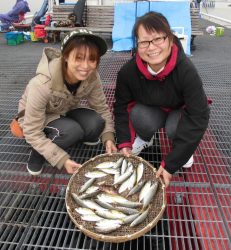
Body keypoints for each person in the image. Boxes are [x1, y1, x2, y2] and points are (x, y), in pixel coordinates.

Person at [114, 12, 210, 187]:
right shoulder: (127, 73)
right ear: (137, 44)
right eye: (144, 42)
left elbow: (199, 116)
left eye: (158, 39)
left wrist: (170, 164)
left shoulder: (186, 71)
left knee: (176, 127)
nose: (151, 47)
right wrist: (124, 142)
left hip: (178, 110)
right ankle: (145, 138)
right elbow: (121, 108)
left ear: (170, 39)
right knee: (137, 114)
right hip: (153, 108)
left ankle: (184, 151)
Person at [17, 29, 117, 176]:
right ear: (65, 56)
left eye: (92, 59)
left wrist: (108, 137)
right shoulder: (41, 84)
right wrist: (62, 160)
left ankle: (68, 135)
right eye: (78, 58)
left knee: (97, 122)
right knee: (72, 131)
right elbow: (31, 130)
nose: (85, 66)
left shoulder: (92, 77)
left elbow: (102, 108)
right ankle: (38, 152)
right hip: (34, 120)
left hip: (63, 109)